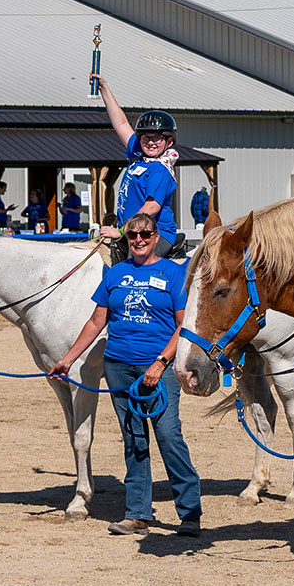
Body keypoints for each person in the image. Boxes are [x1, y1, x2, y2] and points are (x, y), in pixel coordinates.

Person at [51, 213, 201, 537]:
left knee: (168, 435)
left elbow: (183, 325)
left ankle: (189, 513)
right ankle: (137, 514)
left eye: (145, 234)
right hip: (118, 366)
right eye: (132, 235)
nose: (138, 239)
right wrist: (67, 359)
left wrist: (160, 363)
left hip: (157, 369)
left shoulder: (173, 274)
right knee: (133, 438)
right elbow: (96, 322)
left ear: (155, 235)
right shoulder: (116, 274)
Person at [96, 77, 180, 255]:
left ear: (169, 141)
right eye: (145, 138)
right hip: (133, 230)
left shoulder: (160, 170)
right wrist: (104, 88)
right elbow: (121, 123)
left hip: (154, 234)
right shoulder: (140, 157)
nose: (150, 142)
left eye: (157, 138)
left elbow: (151, 208)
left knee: (135, 267)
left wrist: (120, 232)